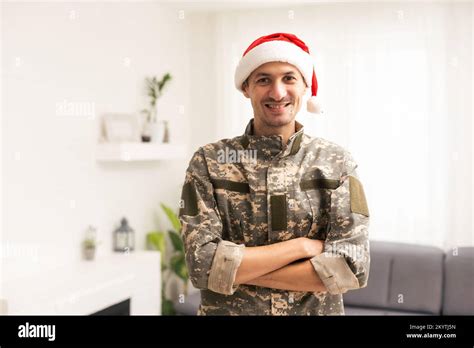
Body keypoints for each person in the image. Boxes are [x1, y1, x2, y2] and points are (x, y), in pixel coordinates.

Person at [179, 33, 370, 315]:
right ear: (246, 88)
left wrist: (231, 271)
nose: (277, 93)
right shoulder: (209, 161)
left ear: (305, 86)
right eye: (263, 79)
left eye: (289, 78)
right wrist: (302, 247)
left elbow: (350, 268)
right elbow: (202, 265)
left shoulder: (337, 162)